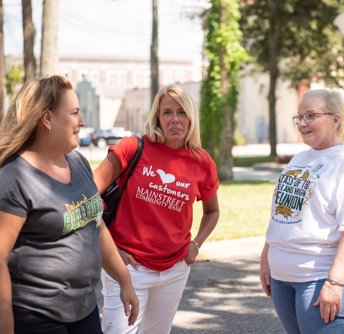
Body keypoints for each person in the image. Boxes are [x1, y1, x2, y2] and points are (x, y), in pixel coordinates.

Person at [0, 75, 139, 334]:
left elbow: (96, 227)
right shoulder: (13, 177)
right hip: (35, 315)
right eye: (75, 113)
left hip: (84, 309)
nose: (82, 122)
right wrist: (5, 320)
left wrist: (125, 281)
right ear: (47, 118)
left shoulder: (78, 162)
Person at [93, 85, 220, 334]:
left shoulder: (202, 162)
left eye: (182, 112)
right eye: (167, 112)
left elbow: (212, 211)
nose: (175, 120)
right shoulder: (133, 148)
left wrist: (197, 243)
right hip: (128, 267)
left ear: (191, 117)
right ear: (157, 117)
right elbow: (86, 199)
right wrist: (111, 250)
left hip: (175, 270)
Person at [259, 89, 344, 334]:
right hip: (284, 278)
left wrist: (334, 284)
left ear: (336, 119)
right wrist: (266, 258)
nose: (302, 124)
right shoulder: (299, 159)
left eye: (311, 116)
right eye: (299, 117)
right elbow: (282, 215)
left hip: (322, 278)